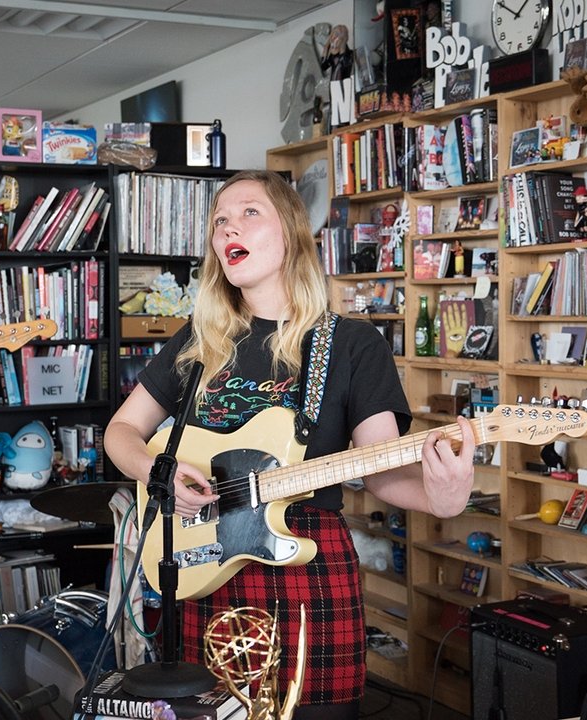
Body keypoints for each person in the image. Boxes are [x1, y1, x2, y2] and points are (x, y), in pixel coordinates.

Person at [104, 170, 475, 719]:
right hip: (201, 559)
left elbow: (382, 469)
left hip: (306, 564)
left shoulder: (350, 344)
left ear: (292, 231)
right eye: (220, 220)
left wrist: (444, 499)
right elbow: (120, 432)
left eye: (250, 212)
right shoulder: (199, 340)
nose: (230, 226)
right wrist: (160, 472)